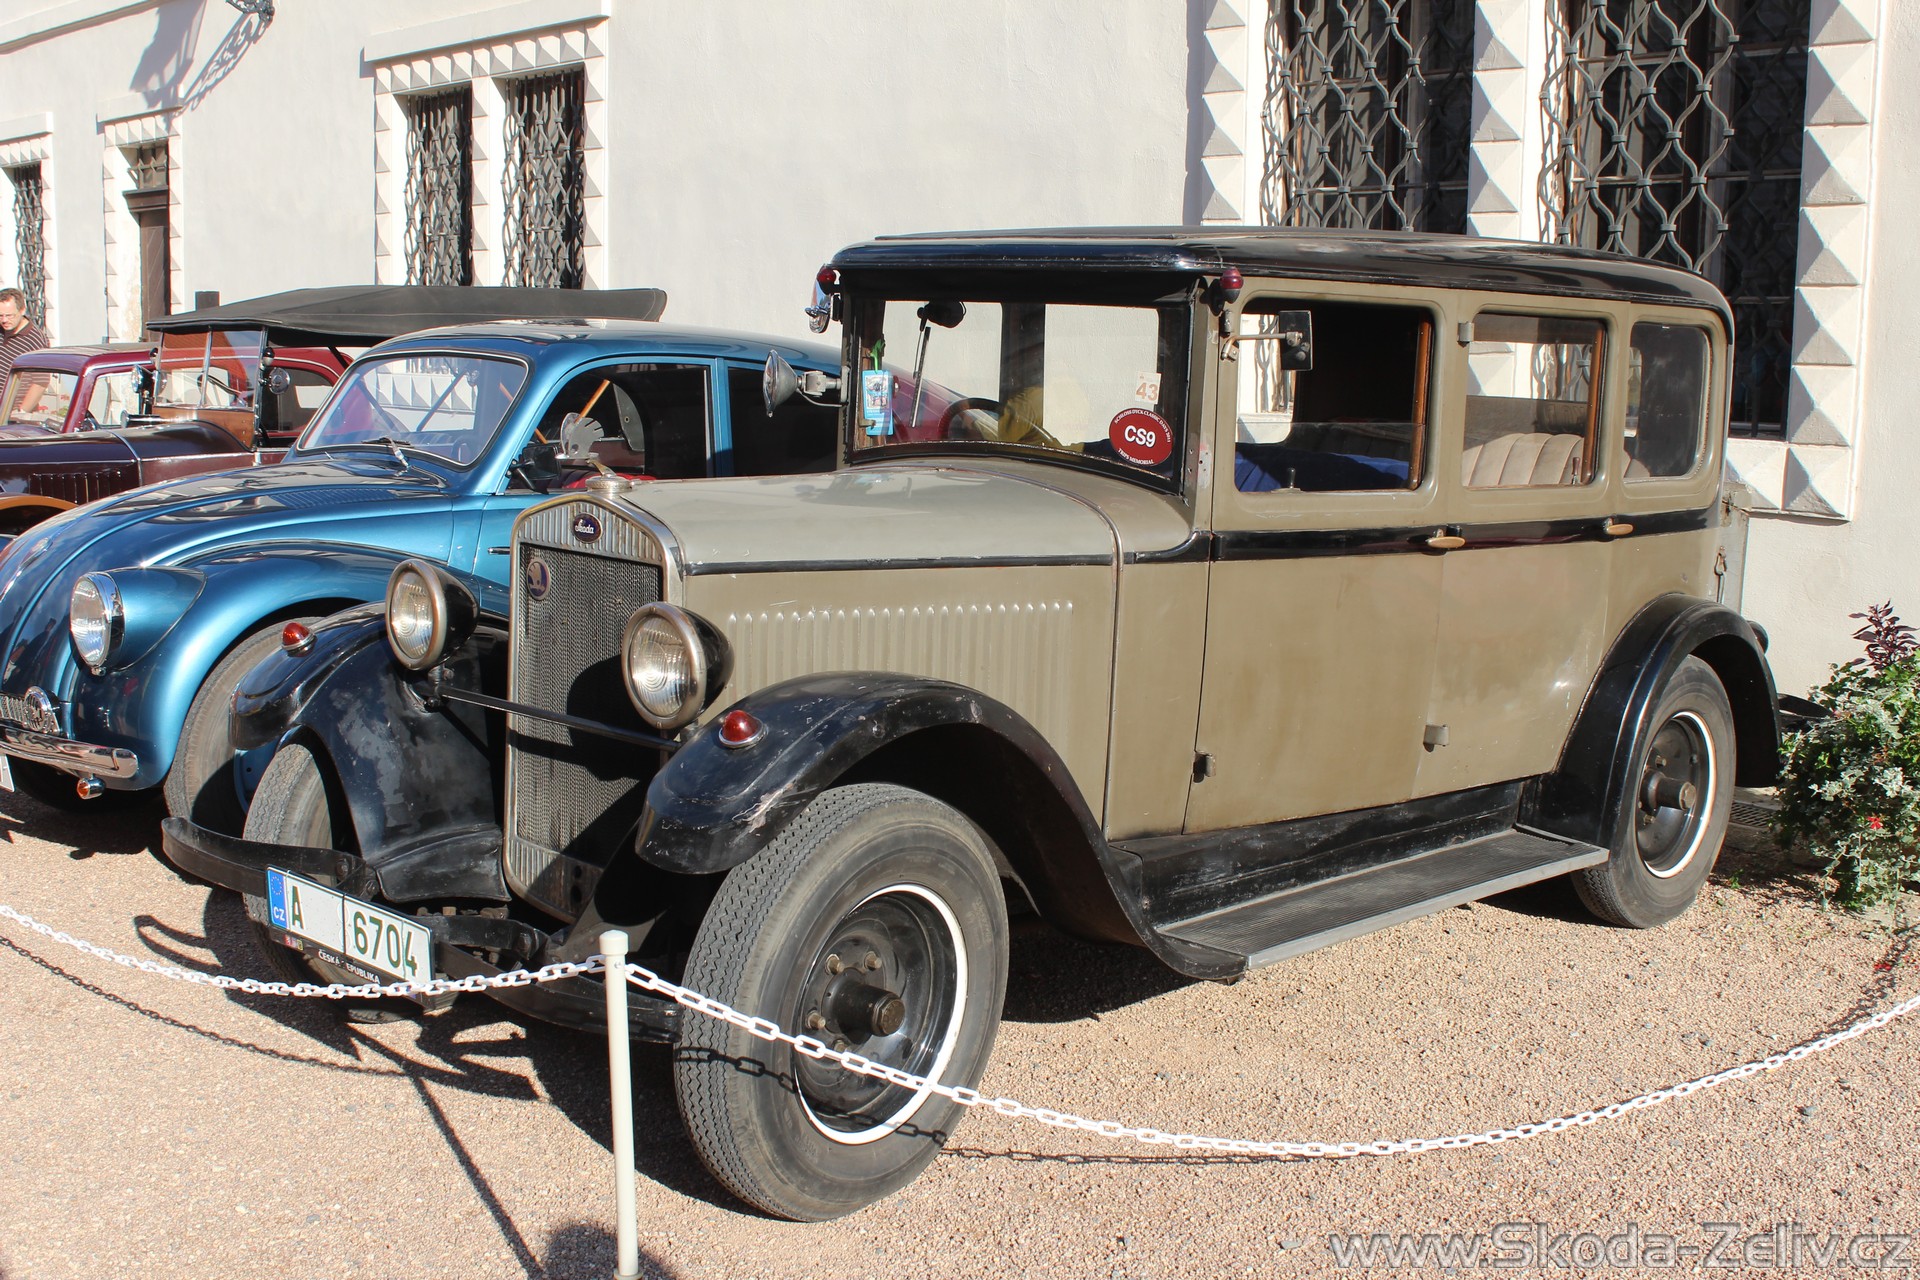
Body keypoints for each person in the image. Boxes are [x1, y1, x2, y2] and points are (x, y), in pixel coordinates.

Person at [0, 288, 49, 389]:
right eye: (0, 315)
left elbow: (40, 383)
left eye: (9, 315)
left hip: (14, 398)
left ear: (22, 310)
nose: (4, 320)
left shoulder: (35, 340)